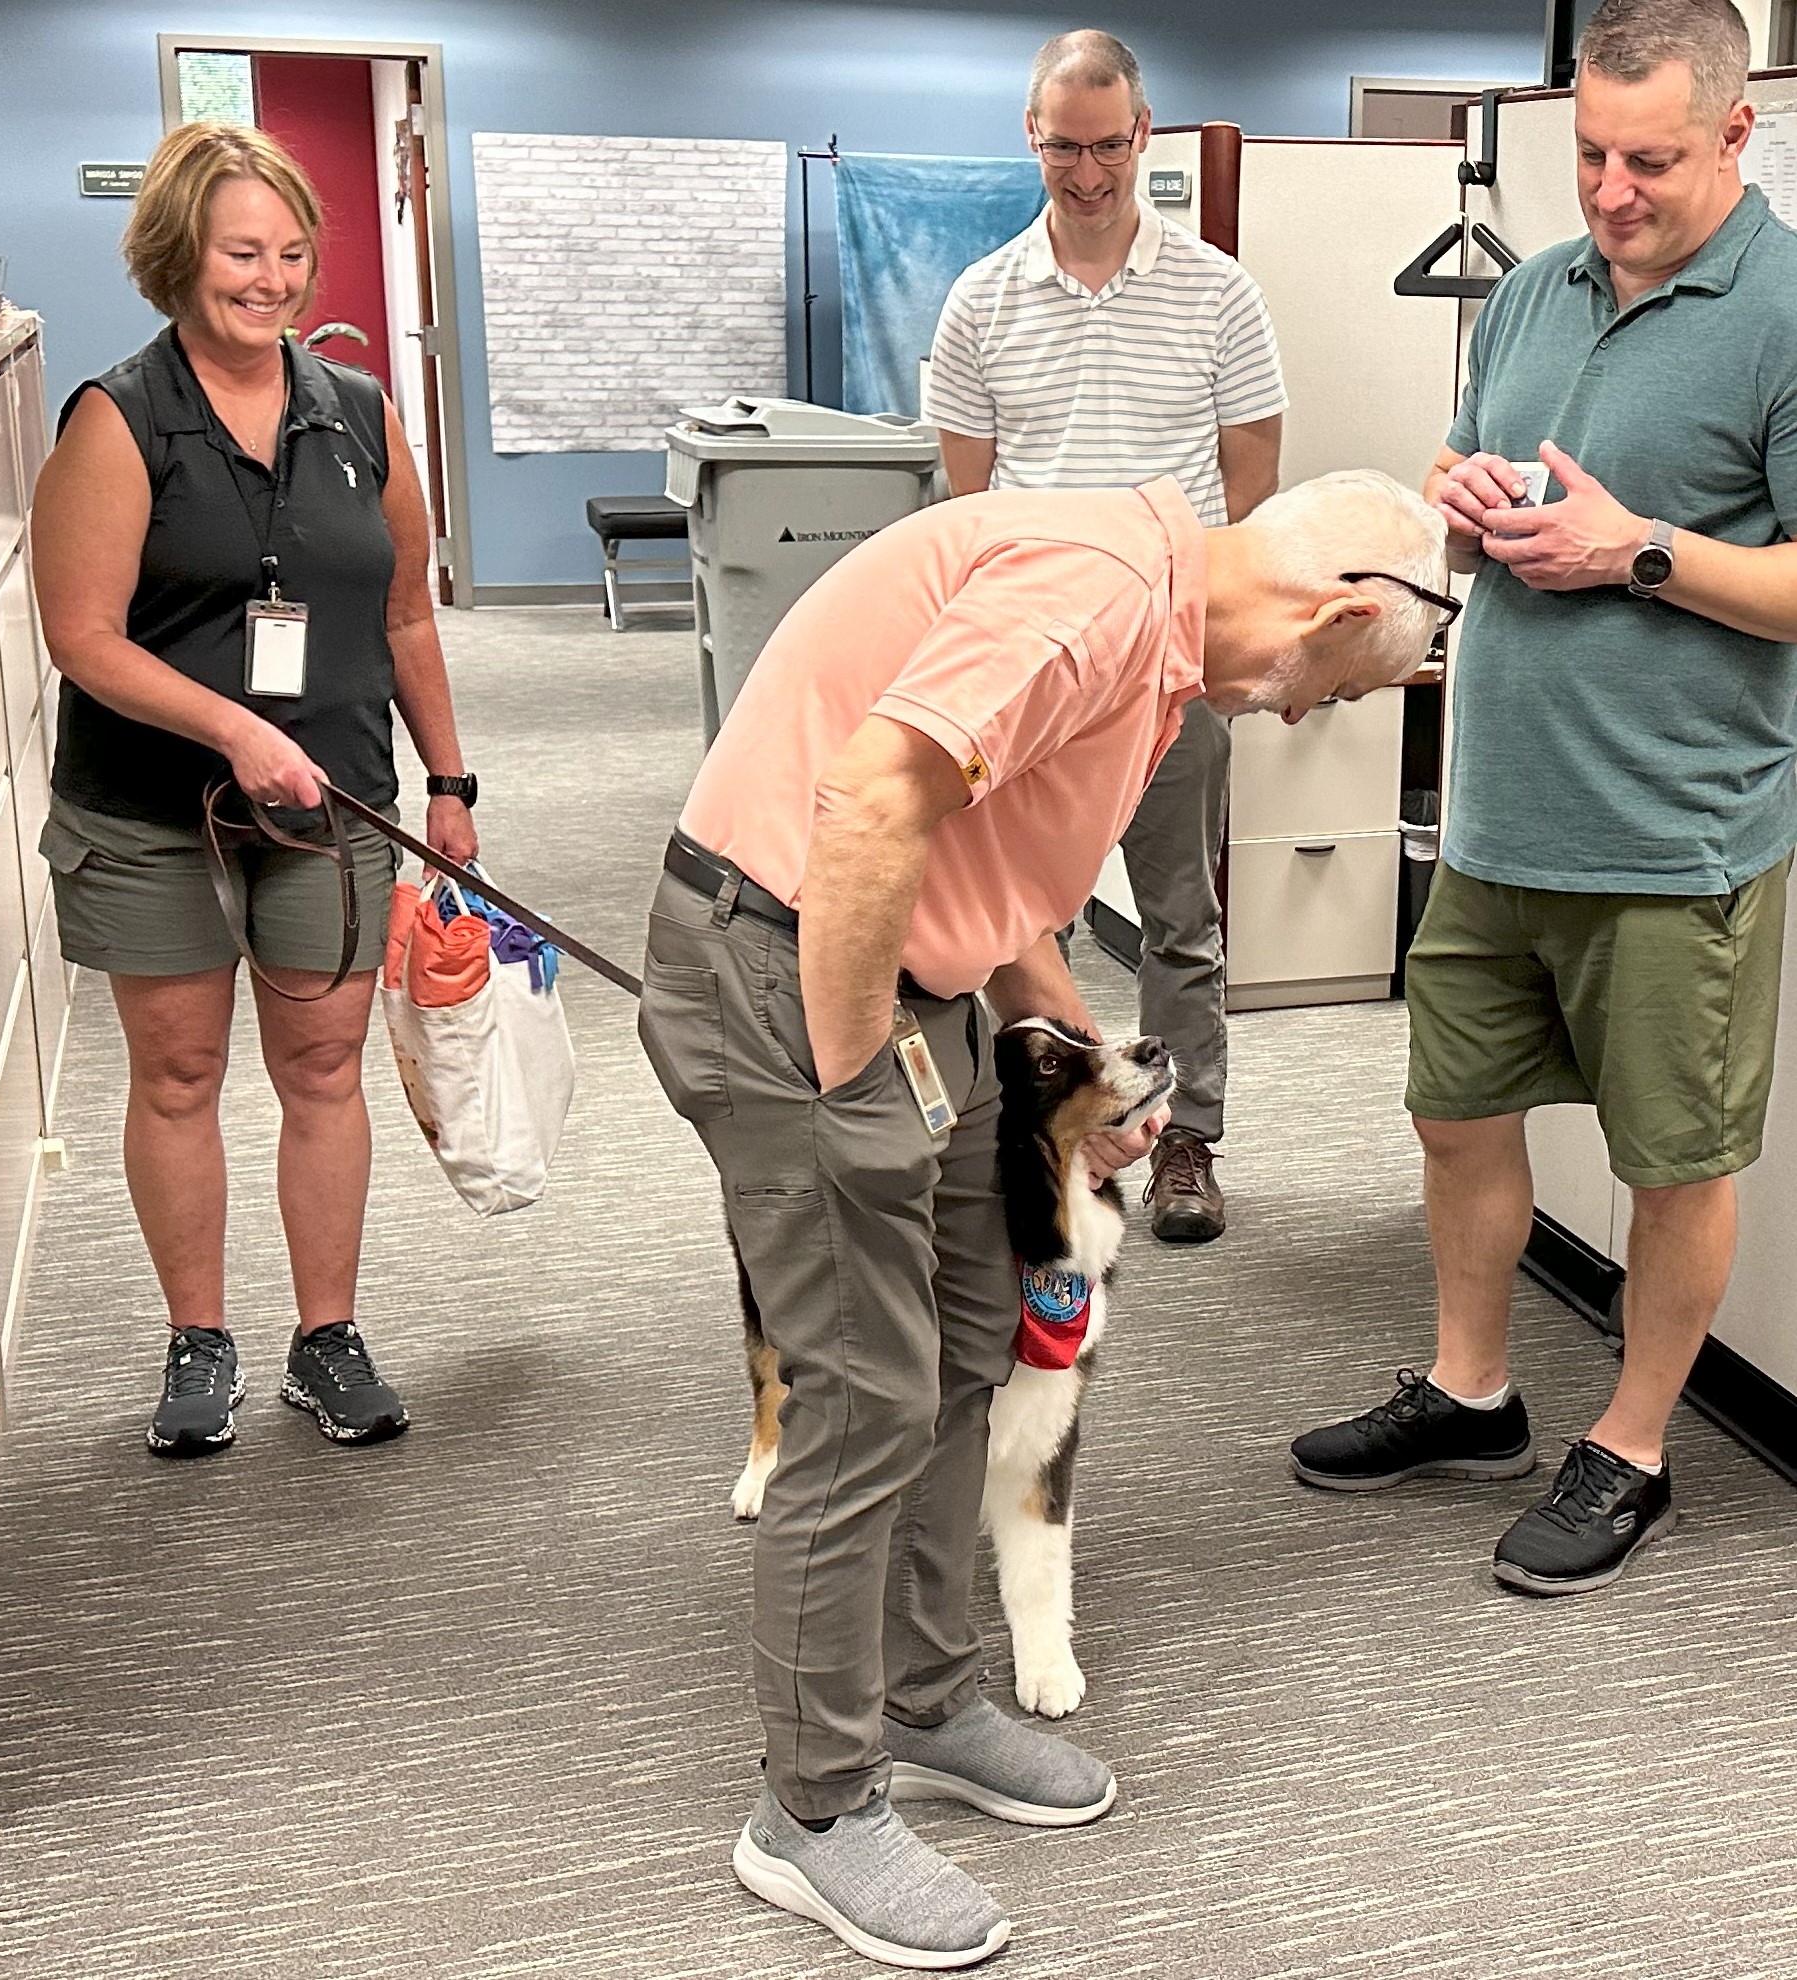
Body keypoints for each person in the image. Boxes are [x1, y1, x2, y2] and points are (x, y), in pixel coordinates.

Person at [640, 468, 1447, 1968]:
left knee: (966, 1352)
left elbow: (983, 847)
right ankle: (808, 1814)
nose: (1308, 717)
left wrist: (1076, 1051)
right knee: (861, 1397)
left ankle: (931, 1698)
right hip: (795, 971)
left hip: (902, 972)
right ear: (1333, 612)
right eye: (1348, 687)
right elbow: (871, 804)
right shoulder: (1089, 596)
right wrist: (849, 1086)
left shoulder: (1156, 633)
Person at [1290, 0, 1797, 1596]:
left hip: (1675, 830)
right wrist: (1453, 502)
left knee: (1673, 1159)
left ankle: (1635, 1443)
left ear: (1735, 133)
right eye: (1587, 152)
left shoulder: (1785, 309)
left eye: (1647, 158)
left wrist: (1636, 551)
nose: (1608, 189)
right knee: (1455, 1112)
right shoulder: (1527, 291)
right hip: (1504, 812)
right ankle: (1471, 1390)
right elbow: (1478, 479)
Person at [29, 123, 480, 1455]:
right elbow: (82, 634)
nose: (271, 279)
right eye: (241, 253)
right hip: (149, 808)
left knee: (324, 1067)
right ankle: (198, 1341)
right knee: (176, 1073)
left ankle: (325, 1339)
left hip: (331, 798)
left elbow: (404, 613)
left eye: (291, 253)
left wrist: (447, 778)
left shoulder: (358, 414)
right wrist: (230, 724)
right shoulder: (117, 419)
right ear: (178, 255)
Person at [924, 28, 1288, 1245]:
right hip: (1031, 663)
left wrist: (1199, 624)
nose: (1087, 174)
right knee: (1015, 912)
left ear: (1143, 134)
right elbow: (965, 506)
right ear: (1031, 140)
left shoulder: (1216, 291)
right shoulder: (980, 299)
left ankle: (1183, 1141)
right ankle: (1049, 1129)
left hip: (1168, 659)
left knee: (1180, 913)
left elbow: (1248, 485)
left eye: (1108, 146)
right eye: (1062, 148)